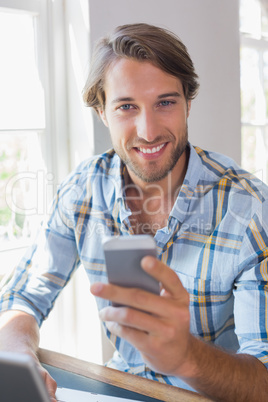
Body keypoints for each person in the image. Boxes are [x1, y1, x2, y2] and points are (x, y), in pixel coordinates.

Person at [1, 22, 268, 401]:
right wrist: (15, 351)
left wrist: (185, 358)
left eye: (165, 102)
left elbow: (264, 380)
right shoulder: (84, 189)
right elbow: (23, 295)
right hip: (118, 389)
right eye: (127, 106)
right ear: (102, 112)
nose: (148, 130)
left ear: (188, 102)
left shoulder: (250, 208)